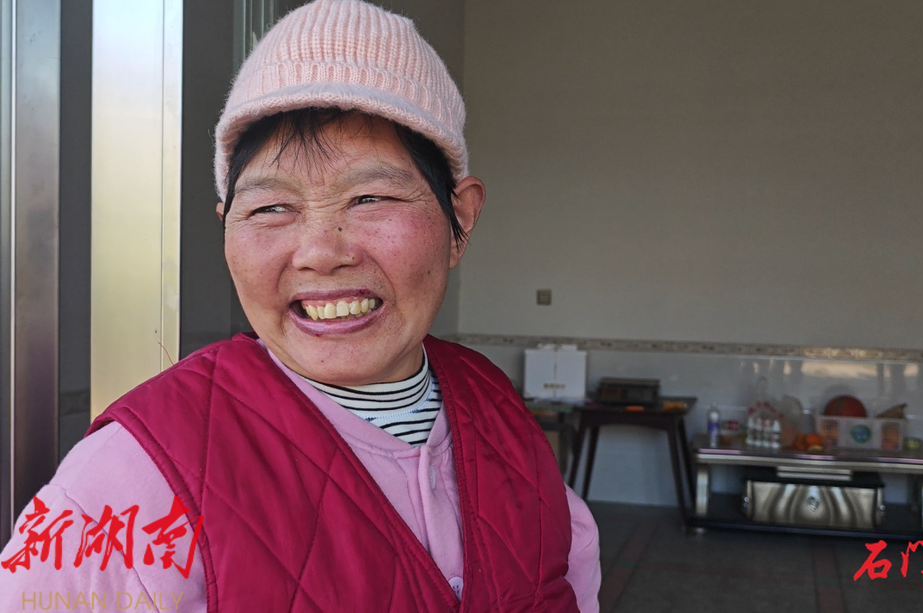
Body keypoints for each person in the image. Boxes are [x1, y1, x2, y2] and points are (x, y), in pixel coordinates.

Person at [0, 1, 601, 611]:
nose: (320, 253)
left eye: (370, 198)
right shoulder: (130, 474)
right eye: (270, 208)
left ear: (460, 220)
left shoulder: (502, 415)